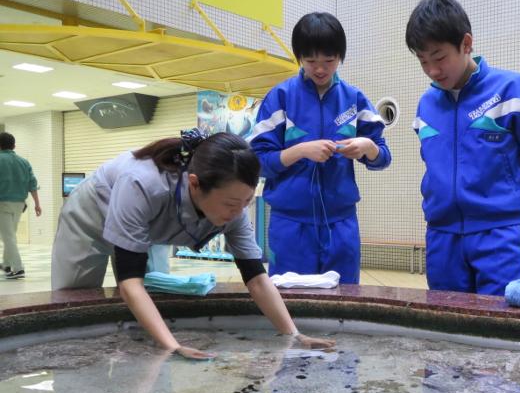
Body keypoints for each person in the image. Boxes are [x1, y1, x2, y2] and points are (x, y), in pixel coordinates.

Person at [51, 129, 334, 359]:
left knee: (151, 296)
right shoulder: (142, 183)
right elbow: (129, 283)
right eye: (231, 204)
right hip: (93, 218)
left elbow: (257, 279)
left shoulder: (232, 205)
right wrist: (172, 347)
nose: (238, 212)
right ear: (195, 184)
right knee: (76, 299)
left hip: (148, 226)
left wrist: (293, 335)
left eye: (247, 202)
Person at [405, 0, 520, 296]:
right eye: (423, 61)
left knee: (500, 329)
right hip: (442, 238)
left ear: (466, 43)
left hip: (498, 235)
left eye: (439, 57)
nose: (433, 71)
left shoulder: (512, 90)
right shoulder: (426, 105)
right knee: (446, 328)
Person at [249, 12, 391, 284]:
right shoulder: (281, 98)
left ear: (340, 56)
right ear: (299, 57)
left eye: (329, 60)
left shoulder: (354, 99)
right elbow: (256, 161)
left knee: (344, 301)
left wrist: (367, 147)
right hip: (290, 225)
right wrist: (300, 151)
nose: (320, 69)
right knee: (290, 299)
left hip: (341, 224)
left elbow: (383, 157)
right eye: (310, 60)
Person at [0, 132, 42, 280]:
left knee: (8, 236)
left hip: (2, 204)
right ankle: (6, 264)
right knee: (10, 235)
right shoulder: (24, 162)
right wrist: (37, 204)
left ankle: (18, 269)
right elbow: (32, 183)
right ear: (14, 145)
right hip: (19, 204)